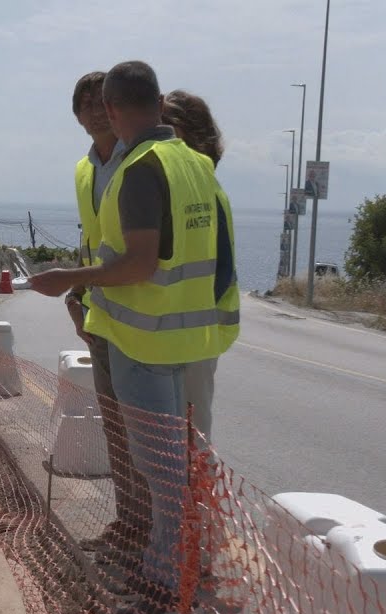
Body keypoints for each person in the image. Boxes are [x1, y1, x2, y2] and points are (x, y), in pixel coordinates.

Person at [29, 61, 240, 614]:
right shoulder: (194, 163)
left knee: (163, 473)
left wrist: (68, 281)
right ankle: (174, 569)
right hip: (189, 336)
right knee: (181, 466)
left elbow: (140, 263)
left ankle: (165, 586)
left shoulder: (142, 167)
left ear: (118, 110)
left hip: (147, 343)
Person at [63, 71, 148, 561]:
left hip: (140, 317)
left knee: (144, 435)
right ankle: (128, 523)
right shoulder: (85, 169)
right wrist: (76, 295)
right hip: (101, 315)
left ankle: (154, 539)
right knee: (115, 429)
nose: (95, 110)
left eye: (102, 102)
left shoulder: (138, 160)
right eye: (85, 103)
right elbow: (92, 241)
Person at [160, 89, 239, 443]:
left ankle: (196, 499)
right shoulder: (185, 186)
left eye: (166, 129)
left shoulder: (202, 188)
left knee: (191, 439)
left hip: (194, 338)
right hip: (177, 337)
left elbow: (220, 270)